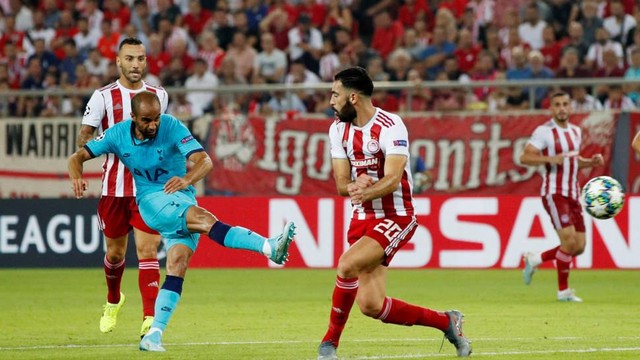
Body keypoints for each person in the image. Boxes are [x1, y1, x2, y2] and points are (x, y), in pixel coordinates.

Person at [68, 91, 296, 352]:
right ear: (133, 117)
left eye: (156, 119)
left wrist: (187, 179)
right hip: (152, 201)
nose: (153, 125)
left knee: (177, 263)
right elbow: (77, 157)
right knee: (204, 219)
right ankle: (269, 247)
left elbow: (204, 160)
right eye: (146, 120)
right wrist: (77, 176)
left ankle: (154, 334)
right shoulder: (117, 134)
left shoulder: (172, 125)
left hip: (182, 196)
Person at [317, 67, 472, 360]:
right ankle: (446, 322)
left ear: (352, 97)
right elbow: (340, 183)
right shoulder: (337, 129)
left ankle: (329, 344)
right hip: (361, 218)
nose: (331, 101)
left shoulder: (391, 125)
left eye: (335, 94)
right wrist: (352, 185)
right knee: (371, 305)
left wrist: (366, 190)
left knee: (346, 265)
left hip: (396, 216)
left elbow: (392, 178)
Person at [77, 37, 169, 337]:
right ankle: (114, 299)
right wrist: (105, 145)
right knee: (116, 255)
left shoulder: (158, 95)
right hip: (114, 189)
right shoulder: (103, 96)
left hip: (147, 189)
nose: (135, 64)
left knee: (147, 251)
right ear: (118, 61)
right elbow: (85, 136)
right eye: (129, 58)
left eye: (140, 58)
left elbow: (163, 136)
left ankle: (149, 320)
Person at [520, 91, 604, 302]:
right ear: (551, 108)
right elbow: (525, 157)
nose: (562, 108)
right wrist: (550, 158)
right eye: (557, 104)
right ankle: (563, 292)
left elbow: (572, 160)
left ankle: (535, 259)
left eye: (565, 104)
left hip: (574, 194)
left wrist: (590, 163)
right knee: (568, 241)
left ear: (571, 107)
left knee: (579, 246)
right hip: (554, 192)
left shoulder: (575, 131)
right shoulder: (544, 131)